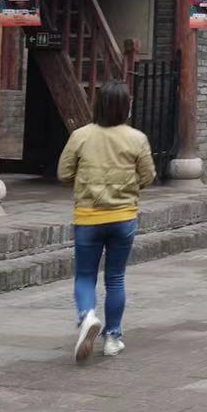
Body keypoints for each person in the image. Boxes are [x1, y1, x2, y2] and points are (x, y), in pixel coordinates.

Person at [58, 81, 155, 363]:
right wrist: (128, 187)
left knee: (85, 275)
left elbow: (64, 173)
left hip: (88, 217)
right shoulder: (137, 138)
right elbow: (148, 176)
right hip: (123, 217)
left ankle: (87, 315)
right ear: (126, 107)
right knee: (115, 278)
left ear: (97, 105)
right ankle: (112, 338)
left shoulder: (81, 136)